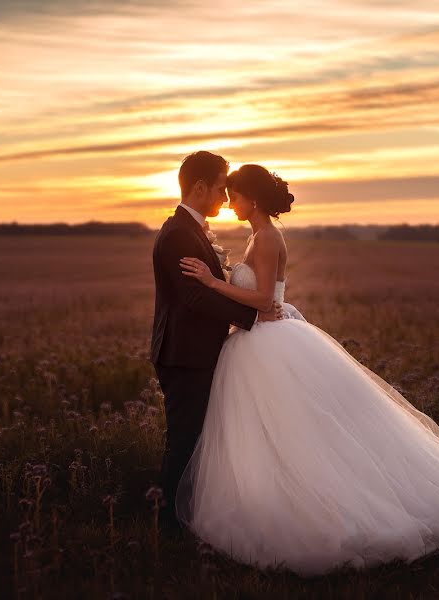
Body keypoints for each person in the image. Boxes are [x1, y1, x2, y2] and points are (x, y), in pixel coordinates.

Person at [175, 164, 439, 576]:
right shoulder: (259, 236)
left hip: (268, 339)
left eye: (235, 195)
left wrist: (211, 281)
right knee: (278, 432)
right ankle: (277, 497)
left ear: (252, 199)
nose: (230, 202)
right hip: (261, 341)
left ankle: (315, 507)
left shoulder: (268, 238)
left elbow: (262, 300)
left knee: (295, 432)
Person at [149, 151, 283, 532]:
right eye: (222, 188)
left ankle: (181, 516)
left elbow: (208, 289)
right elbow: (194, 297)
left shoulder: (191, 229)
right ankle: (168, 525)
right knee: (185, 440)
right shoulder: (178, 233)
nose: (225, 198)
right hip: (184, 354)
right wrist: (252, 316)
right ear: (200, 187)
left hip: (195, 351)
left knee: (195, 438)